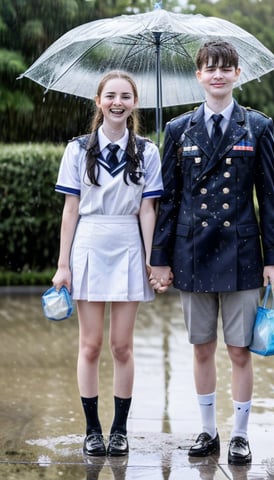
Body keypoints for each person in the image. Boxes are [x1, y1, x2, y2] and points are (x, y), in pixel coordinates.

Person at [149, 41, 274, 465]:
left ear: (237, 74)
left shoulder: (257, 127)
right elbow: (168, 201)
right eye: (210, 68)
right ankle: (208, 430)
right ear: (199, 75)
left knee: (239, 350)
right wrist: (160, 257)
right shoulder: (177, 130)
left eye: (226, 68)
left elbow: (269, 196)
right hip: (192, 252)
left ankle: (240, 435)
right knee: (202, 347)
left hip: (243, 253)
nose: (218, 75)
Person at [52, 70, 163, 457]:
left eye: (126, 96)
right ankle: (92, 428)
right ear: (98, 101)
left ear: (135, 103)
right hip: (89, 244)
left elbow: (148, 210)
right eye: (111, 95)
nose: (118, 102)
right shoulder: (78, 150)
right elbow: (70, 210)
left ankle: (119, 429)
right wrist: (63, 265)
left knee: (122, 346)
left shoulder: (148, 151)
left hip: (129, 246)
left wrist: (153, 260)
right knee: (91, 344)